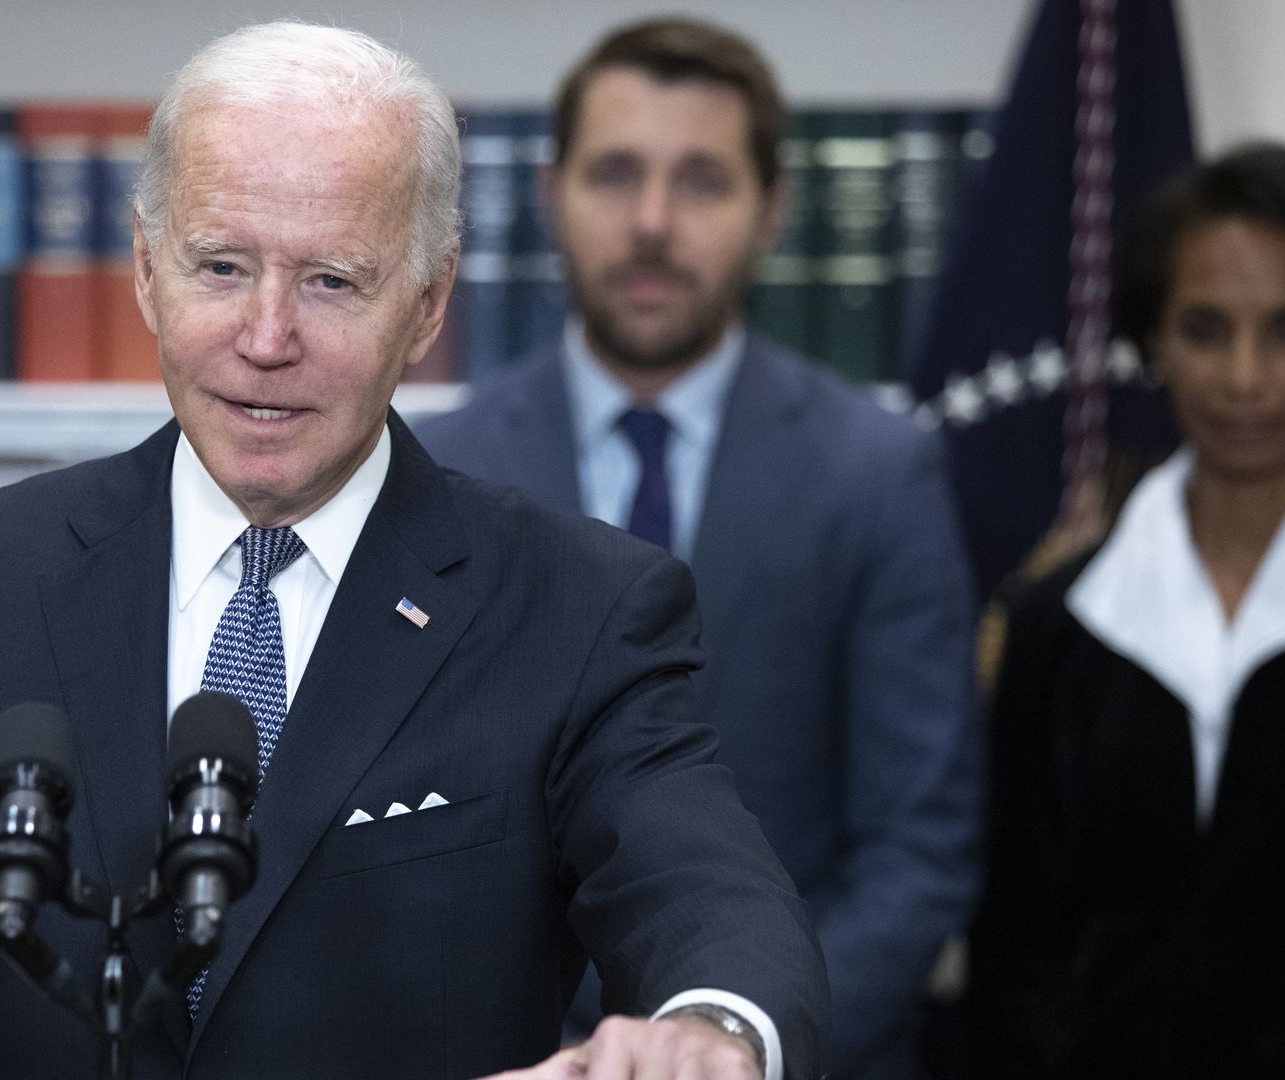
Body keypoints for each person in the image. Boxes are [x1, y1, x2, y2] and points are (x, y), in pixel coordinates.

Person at [0, 22, 830, 1080]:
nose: (267, 338)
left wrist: (712, 1032)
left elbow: (710, 897)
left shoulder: (578, 607)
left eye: (332, 280)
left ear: (428, 303)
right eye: (222, 268)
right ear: (147, 270)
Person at [416, 19, 978, 1079]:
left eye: (702, 181)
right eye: (615, 174)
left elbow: (919, 854)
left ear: (773, 210)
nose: (652, 222)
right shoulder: (438, 471)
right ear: (550, 195)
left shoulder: (878, 474)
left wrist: (738, 1044)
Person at [964, 143, 1285, 1078]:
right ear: (1154, 342)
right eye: (1204, 329)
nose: (1244, 377)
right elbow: (1013, 953)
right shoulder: (1057, 626)